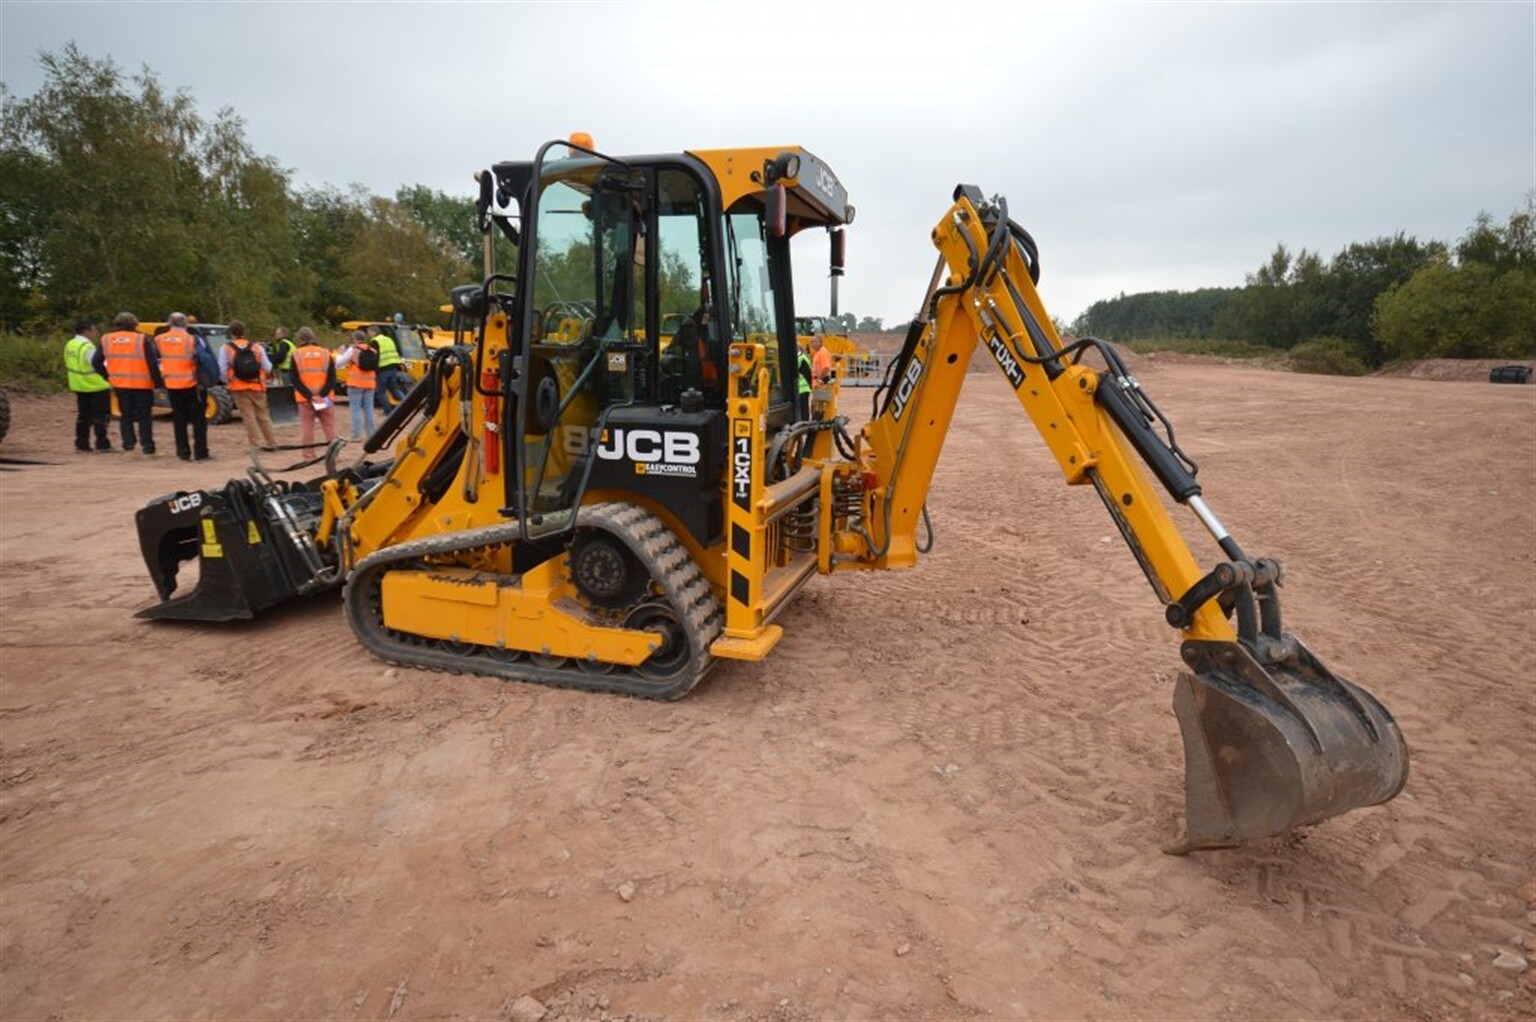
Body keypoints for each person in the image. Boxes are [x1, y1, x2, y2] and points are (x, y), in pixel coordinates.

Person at [99, 311, 163, 456]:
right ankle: (148, 447)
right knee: (144, 417)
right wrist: (158, 384)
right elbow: (152, 363)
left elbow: (96, 361)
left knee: (126, 416)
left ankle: (128, 446)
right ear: (134, 324)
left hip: (120, 384)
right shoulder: (142, 339)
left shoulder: (107, 339)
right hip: (143, 385)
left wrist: (108, 376)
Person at [155, 312, 211, 461]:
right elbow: (204, 360)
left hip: (172, 385)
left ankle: (182, 452)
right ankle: (201, 453)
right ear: (185, 324)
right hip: (192, 385)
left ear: (168, 323)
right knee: (198, 420)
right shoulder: (192, 339)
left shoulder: (159, 339)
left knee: (179, 420)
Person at [218, 320, 279, 450]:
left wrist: (229, 381)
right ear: (244, 332)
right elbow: (268, 367)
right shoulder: (257, 347)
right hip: (257, 386)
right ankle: (272, 442)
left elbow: (222, 370)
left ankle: (255, 444)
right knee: (263, 416)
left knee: (248, 417)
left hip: (238, 388)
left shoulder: (226, 348)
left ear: (231, 333)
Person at [63, 319, 113, 452]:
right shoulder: (87, 347)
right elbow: (97, 364)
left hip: (79, 385)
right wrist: (110, 376)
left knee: (83, 416)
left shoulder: (70, 344)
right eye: (94, 330)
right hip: (96, 385)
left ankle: (81, 444)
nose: (96, 333)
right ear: (87, 331)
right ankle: (102, 444)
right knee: (101, 416)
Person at [290, 327, 338, 458]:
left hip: (305, 398)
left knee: (307, 427)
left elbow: (294, 379)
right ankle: (334, 453)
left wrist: (309, 395)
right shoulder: (325, 353)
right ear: (313, 337)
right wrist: (322, 394)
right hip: (324, 396)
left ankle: (309, 454)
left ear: (300, 339)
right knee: (329, 426)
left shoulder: (296, 354)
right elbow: (332, 377)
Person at [335, 330, 377, 440]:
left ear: (355, 339)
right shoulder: (372, 350)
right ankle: (371, 433)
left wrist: (340, 354)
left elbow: (339, 363)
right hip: (370, 383)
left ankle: (356, 435)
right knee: (369, 408)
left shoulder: (353, 350)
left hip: (355, 383)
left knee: (355, 409)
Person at [372, 327, 410, 410]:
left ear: (374, 332)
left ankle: (388, 410)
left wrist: (375, 370)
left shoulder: (375, 341)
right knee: (394, 389)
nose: (369, 334)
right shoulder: (389, 339)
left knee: (381, 392)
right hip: (393, 368)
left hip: (383, 369)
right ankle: (407, 405)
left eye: (369, 332)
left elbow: (375, 357)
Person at [810, 331, 835, 417]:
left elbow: (826, 367)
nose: (813, 344)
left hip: (821, 382)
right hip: (818, 383)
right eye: (812, 342)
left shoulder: (823, 353)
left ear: (820, 342)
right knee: (816, 407)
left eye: (815, 341)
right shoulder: (818, 353)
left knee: (819, 408)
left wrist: (819, 378)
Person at [796, 339, 814, 419]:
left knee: (803, 409)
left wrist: (810, 386)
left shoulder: (802, 358)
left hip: (803, 388)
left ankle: (804, 422)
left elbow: (807, 374)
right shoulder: (799, 358)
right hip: (800, 388)